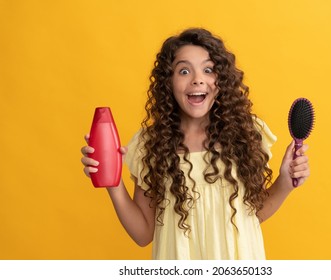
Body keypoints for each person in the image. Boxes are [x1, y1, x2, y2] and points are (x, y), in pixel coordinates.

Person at [80, 28, 310, 260]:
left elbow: (253, 214)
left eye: (208, 69)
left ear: (221, 80)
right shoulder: (150, 144)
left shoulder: (247, 135)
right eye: (184, 70)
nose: (197, 79)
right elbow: (142, 234)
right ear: (168, 82)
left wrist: (285, 183)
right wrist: (113, 181)